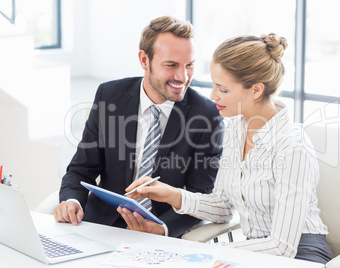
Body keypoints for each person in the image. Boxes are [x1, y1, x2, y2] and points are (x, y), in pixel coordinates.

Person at [121, 33, 333, 263]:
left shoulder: (292, 147)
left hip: (299, 256)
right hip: (253, 253)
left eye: (223, 89)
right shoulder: (235, 130)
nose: (213, 96)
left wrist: (210, 256)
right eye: (213, 85)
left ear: (255, 90)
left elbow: (282, 247)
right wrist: (171, 194)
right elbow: (222, 208)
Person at [53, 16, 223, 238]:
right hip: (101, 226)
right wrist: (71, 200)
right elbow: (81, 168)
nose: (182, 76)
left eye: (189, 65)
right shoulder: (109, 96)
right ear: (144, 60)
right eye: (171, 65)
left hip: (159, 233)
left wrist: (163, 228)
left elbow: (200, 194)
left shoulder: (207, 115)